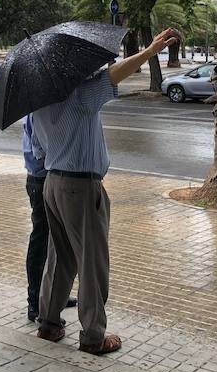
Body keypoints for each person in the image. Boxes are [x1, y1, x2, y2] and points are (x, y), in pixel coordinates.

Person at [32, 28, 177, 355]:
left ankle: (49, 323)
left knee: (60, 258)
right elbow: (114, 75)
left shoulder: (38, 106)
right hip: (80, 186)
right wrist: (150, 51)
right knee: (92, 261)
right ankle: (94, 335)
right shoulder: (80, 95)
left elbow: (39, 151)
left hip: (52, 183)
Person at [22, 113, 76, 322]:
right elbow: (40, 151)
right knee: (41, 241)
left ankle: (56, 294)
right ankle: (35, 302)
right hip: (41, 179)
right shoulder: (37, 111)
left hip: (48, 178)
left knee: (58, 240)